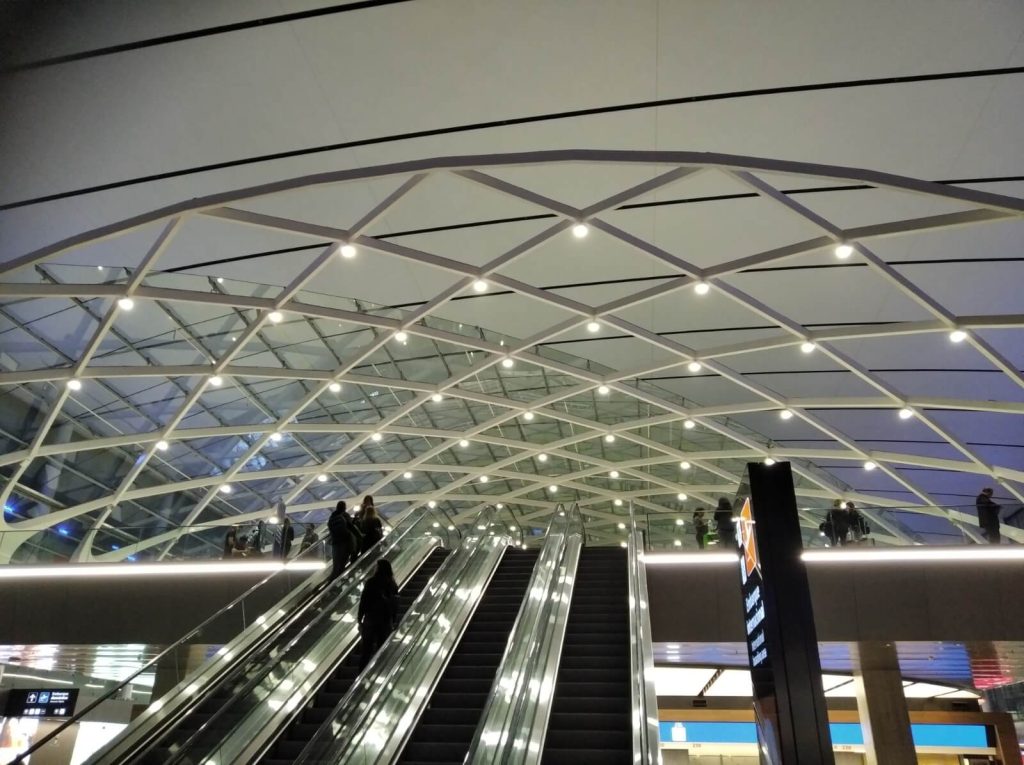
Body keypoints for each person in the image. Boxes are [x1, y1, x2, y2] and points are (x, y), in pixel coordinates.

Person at [358, 559, 399, 670]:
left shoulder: (371, 582)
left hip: (370, 619)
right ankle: (379, 672)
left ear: (378, 568)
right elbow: (395, 604)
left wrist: (359, 619)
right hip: (385, 620)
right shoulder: (392, 584)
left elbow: (364, 601)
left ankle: (361, 674)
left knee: (366, 649)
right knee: (382, 650)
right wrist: (394, 619)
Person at [328, 501, 357, 578]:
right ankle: (339, 579)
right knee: (343, 563)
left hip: (335, 543)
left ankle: (332, 579)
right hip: (345, 542)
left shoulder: (332, 516)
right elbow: (351, 526)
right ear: (344, 507)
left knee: (336, 563)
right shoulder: (345, 515)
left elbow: (330, 528)